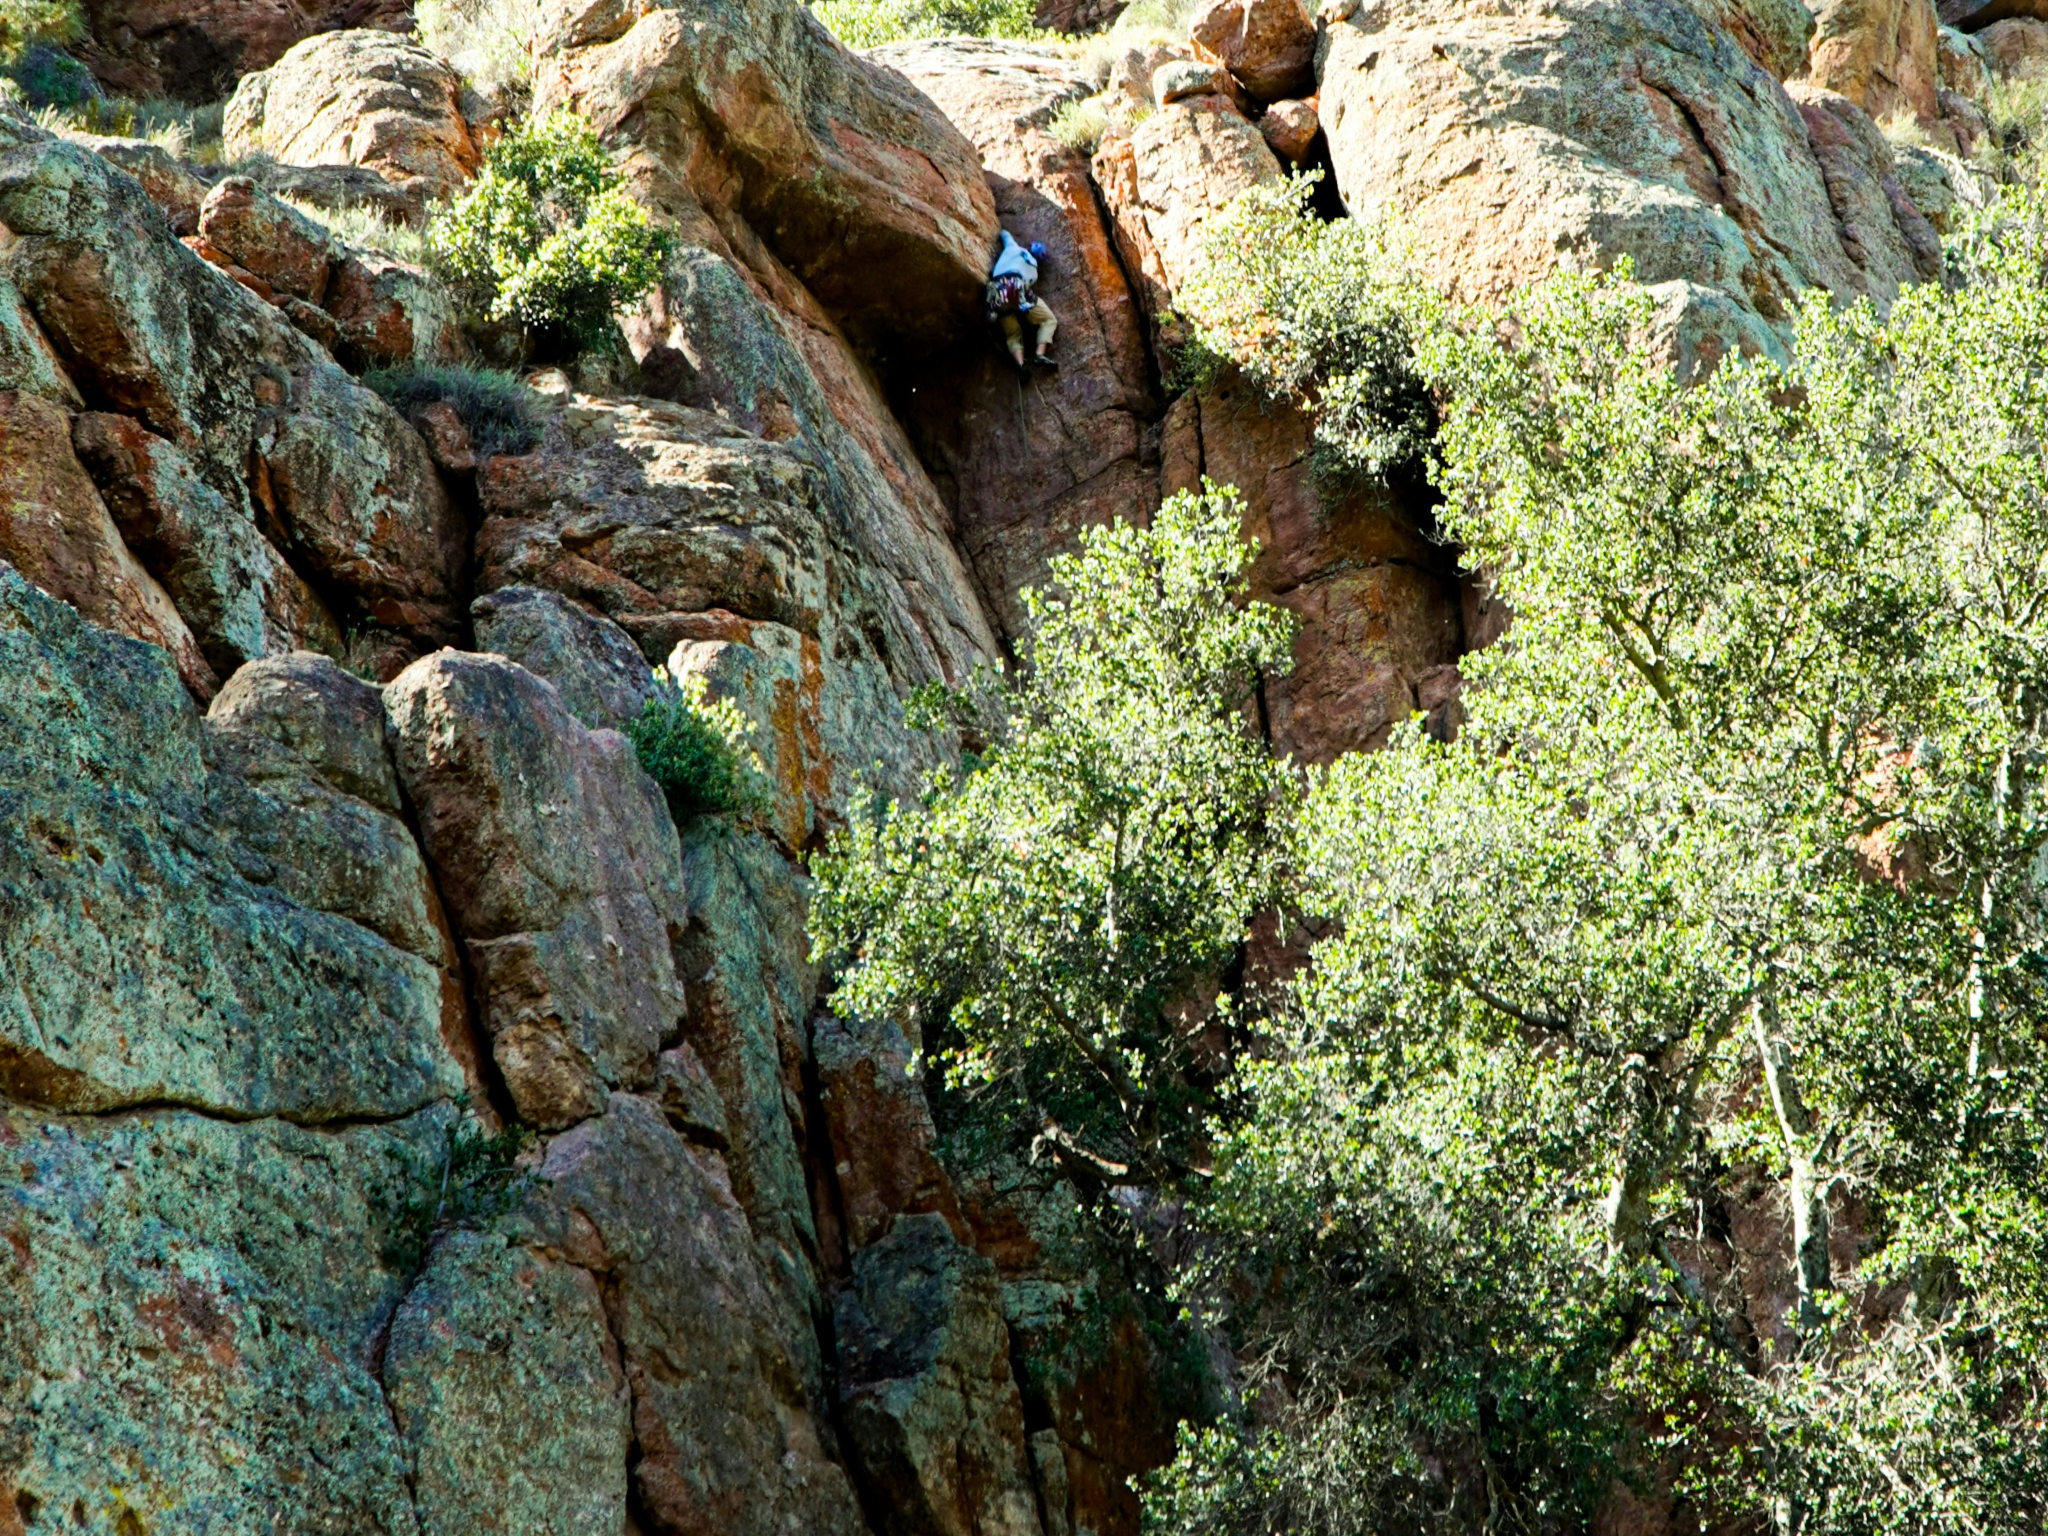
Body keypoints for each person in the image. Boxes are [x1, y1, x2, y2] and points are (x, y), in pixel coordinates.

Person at [987, 230, 1058, 372]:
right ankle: (1040, 354)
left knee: (1012, 334)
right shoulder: (1034, 271)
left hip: (996, 294)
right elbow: (1026, 283)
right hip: (1017, 290)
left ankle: (1021, 365)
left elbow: (1005, 234)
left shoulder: (1013, 247)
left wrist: (998, 229)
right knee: (1049, 320)